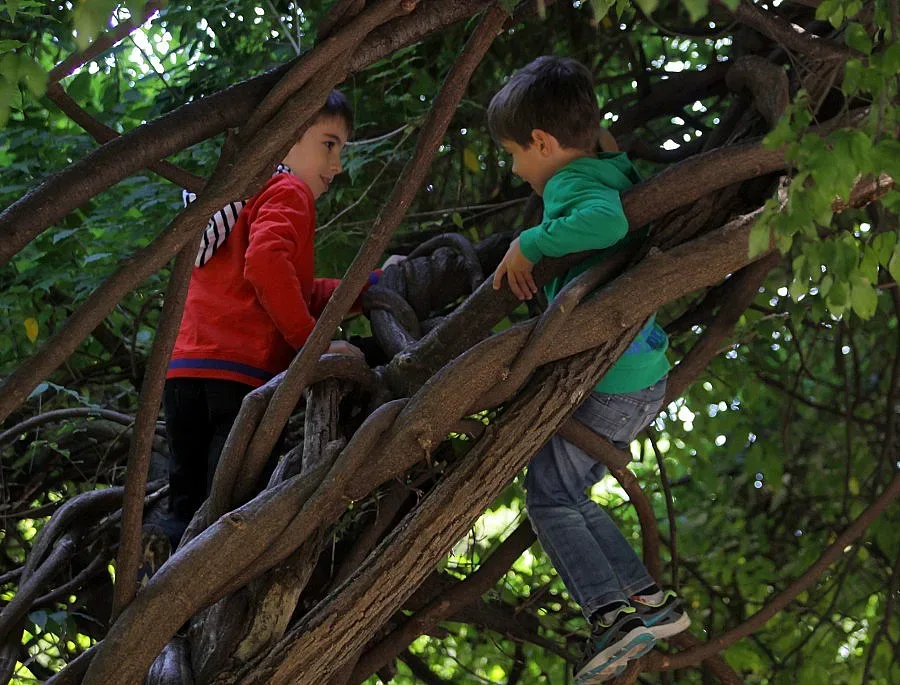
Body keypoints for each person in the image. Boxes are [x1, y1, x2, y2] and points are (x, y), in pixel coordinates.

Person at [488, 57, 690, 683]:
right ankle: (647, 603)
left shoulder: (573, 187)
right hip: (636, 378)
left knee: (549, 496)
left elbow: (607, 220)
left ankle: (611, 615)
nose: (516, 170)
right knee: (562, 492)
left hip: (612, 381)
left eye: (515, 155)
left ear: (543, 143)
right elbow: (603, 161)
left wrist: (532, 242)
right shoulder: (606, 166)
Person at [161, 90, 375, 550]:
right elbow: (265, 265)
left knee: (184, 513)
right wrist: (310, 344)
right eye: (329, 143)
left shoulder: (228, 200)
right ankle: (207, 606)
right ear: (287, 138)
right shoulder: (288, 190)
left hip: (183, 374)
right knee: (227, 517)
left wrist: (370, 286)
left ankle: (159, 599)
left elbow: (291, 288)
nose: (337, 165)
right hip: (240, 378)